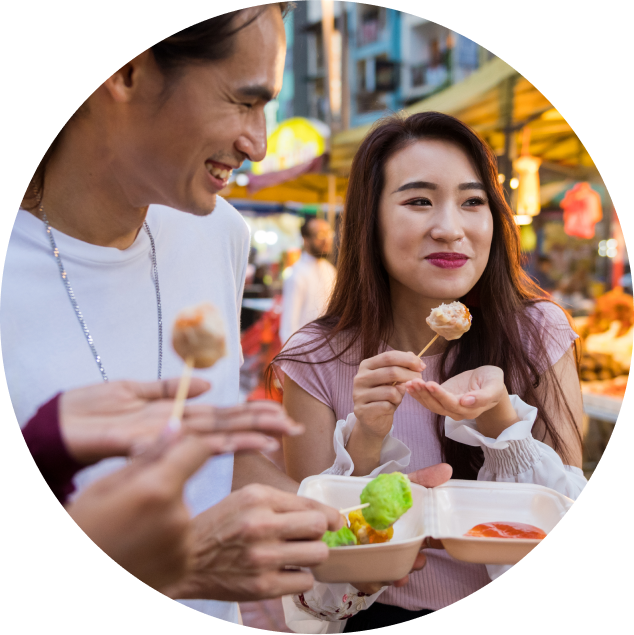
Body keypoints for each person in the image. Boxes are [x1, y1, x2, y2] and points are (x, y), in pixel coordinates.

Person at [0, 4, 342, 629]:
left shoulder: (220, 234)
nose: (259, 144)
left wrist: (346, 524)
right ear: (127, 72)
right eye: (244, 102)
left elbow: (211, 459)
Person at [267, 111, 588, 633]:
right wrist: (367, 443)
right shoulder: (314, 359)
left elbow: (568, 532)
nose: (450, 228)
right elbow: (317, 583)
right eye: (418, 201)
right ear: (370, 219)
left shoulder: (537, 332)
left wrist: (498, 420)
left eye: (472, 201)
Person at [279, 216, 336, 344]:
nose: (326, 239)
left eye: (328, 233)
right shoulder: (297, 273)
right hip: (303, 349)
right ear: (306, 240)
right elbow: (289, 324)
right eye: (320, 235)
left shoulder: (330, 270)